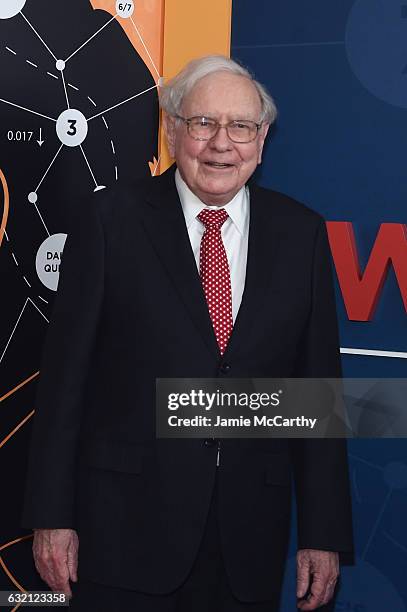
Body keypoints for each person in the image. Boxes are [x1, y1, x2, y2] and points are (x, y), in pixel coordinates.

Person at [22, 55, 353, 611]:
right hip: (122, 533)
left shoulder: (302, 234)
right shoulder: (110, 222)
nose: (222, 143)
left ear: (262, 137)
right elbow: (63, 384)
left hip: (246, 541)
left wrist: (324, 533)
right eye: (204, 124)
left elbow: (316, 395)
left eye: (241, 126)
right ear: (173, 130)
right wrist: (51, 517)